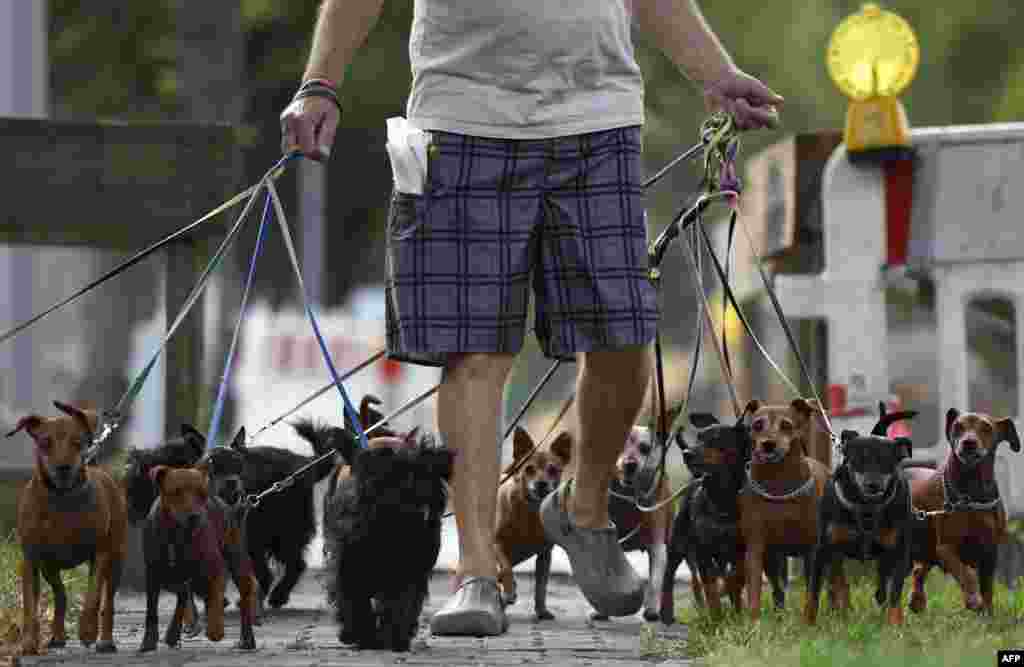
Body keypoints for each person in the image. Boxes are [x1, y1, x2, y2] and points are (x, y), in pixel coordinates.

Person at [281, 0, 783, 637]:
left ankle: (584, 507)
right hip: (461, 121)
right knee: (475, 352)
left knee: (624, 341)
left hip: (597, 120)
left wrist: (715, 74)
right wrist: (319, 83)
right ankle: (477, 572)